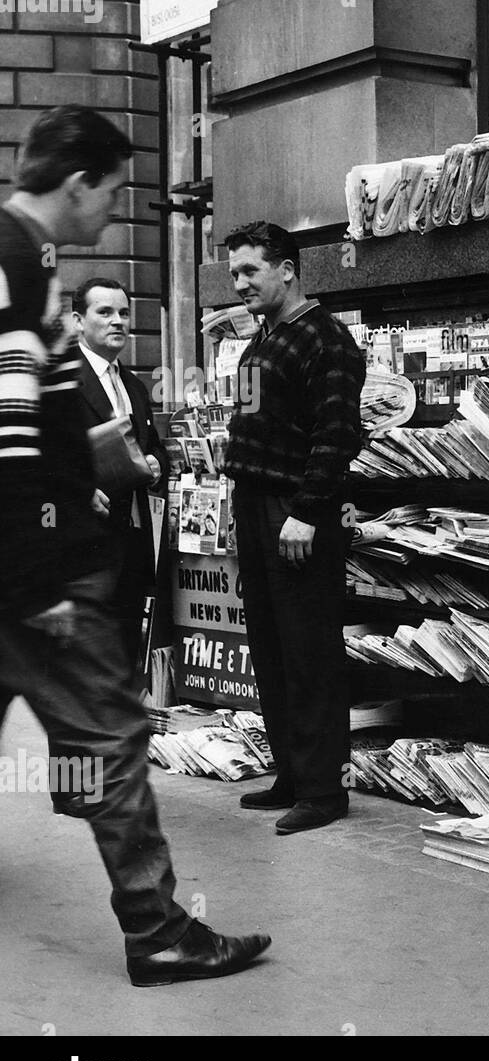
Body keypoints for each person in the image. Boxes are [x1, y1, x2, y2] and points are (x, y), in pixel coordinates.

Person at [0, 105, 270, 985]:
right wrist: (38, 565)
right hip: (34, 572)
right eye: (111, 194)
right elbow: (10, 431)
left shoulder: (25, 262)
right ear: (76, 183)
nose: (113, 213)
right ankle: (156, 930)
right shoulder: (14, 260)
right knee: (110, 739)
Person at [222, 220, 365, 834]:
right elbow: (253, 426)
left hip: (295, 511)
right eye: (233, 274)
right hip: (256, 506)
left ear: (287, 268)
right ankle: (292, 773)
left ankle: (324, 791)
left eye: (250, 270)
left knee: (309, 652)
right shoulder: (263, 341)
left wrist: (306, 512)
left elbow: (336, 435)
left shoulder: (325, 340)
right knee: (272, 649)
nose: (240, 283)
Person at [73, 277, 169, 674]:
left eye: (124, 313)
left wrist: (158, 464)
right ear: (78, 320)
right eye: (105, 312)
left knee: (125, 653)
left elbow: (153, 447)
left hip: (131, 540)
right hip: (81, 546)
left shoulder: (133, 384)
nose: (119, 322)